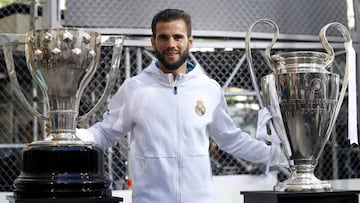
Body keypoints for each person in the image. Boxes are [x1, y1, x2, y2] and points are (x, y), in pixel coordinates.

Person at [77, 8, 286, 203]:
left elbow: (232, 140)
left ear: (190, 41)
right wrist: (73, 136)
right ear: (153, 42)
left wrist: (281, 155)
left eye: (178, 37)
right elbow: (105, 133)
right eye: (163, 37)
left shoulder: (209, 88)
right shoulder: (134, 89)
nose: (171, 44)